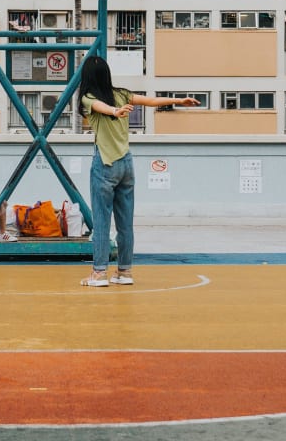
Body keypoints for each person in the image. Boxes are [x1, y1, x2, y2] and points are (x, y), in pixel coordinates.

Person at [78, 55, 201, 288]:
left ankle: (99, 273)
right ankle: (124, 272)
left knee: (102, 222)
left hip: (105, 164)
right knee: (126, 224)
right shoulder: (123, 93)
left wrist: (114, 112)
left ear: (86, 77)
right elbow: (151, 100)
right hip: (126, 164)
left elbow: (99, 107)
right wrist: (178, 100)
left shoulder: (88, 97)